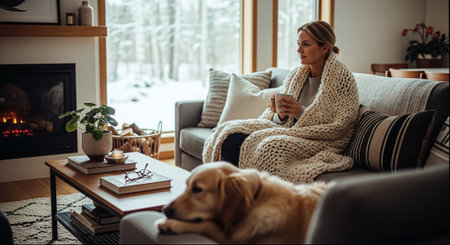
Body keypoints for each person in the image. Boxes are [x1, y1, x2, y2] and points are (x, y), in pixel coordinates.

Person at [203, 20, 360, 183]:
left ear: (324, 47)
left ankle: (242, 193)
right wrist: (279, 113)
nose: (299, 50)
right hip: (289, 131)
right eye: (298, 44)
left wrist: (299, 112)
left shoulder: (342, 79)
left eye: (306, 44)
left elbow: (340, 126)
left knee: (269, 147)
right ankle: (224, 189)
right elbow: (281, 120)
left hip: (319, 141)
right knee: (231, 132)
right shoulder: (296, 75)